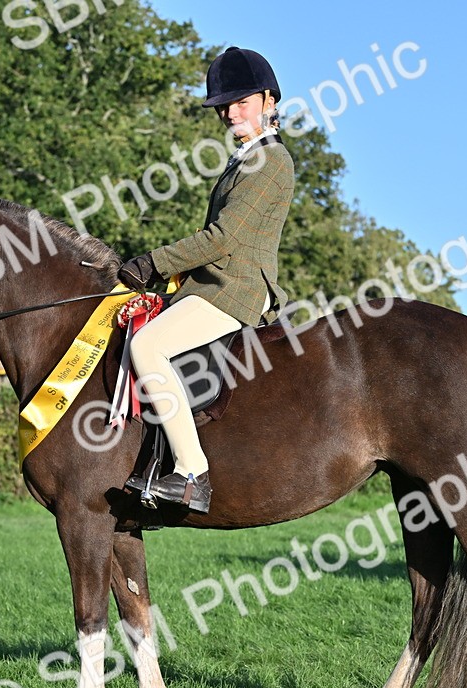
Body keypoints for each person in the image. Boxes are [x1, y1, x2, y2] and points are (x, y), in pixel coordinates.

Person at [118, 47, 295, 513]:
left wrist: (154, 262)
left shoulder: (272, 161)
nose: (230, 113)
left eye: (242, 102)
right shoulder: (245, 159)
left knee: (146, 347)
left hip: (234, 290)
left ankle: (192, 473)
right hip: (211, 286)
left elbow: (222, 239)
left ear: (269, 100)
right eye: (225, 105)